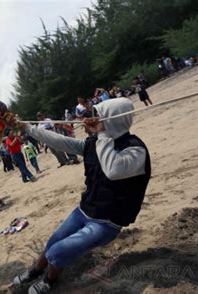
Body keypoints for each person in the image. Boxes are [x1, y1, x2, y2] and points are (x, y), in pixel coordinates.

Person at [14, 98, 151, 294]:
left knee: (56, 253)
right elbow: (60, 141)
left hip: (106, 222)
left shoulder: (135, 149)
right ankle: (36, 270)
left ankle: (49, 280)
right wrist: (28, 128)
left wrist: (102, 134)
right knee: (51, 243)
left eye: (100, 116)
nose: (93, 119)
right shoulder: (94, 142)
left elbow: (113, 169)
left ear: (112, 120)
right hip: (83, 211)